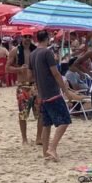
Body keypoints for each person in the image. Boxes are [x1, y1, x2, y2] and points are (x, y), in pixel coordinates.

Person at [29, 30, 72, 161]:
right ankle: (52, 148)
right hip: (52, 91)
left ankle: (45, 152)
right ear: (47, 39)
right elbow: (55, 73)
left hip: (42, 93)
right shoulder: (47, 52)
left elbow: (30, 75)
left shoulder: (32, 54)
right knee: (65, 120)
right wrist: (65, 89)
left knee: (46, 124)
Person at [8, 31, 42, 145]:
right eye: (25, 36)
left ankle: (39, 137)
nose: (27, 38)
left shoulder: (36, 51)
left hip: (35, 84)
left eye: (29, 36)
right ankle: (24, 139)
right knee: (23, 113)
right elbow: (7, 68)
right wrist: (19, 69)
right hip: (23, 85)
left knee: (40, 112)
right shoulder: (15, 51)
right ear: (21, 38)